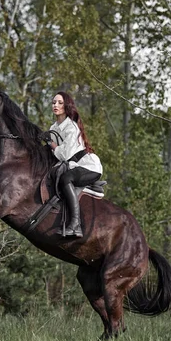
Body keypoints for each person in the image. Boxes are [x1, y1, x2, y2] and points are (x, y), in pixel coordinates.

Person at [44, 91, 102, 238]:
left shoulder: (72, 128)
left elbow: (64, 155)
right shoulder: (53, 128)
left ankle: (75, 225)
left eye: (59, 103)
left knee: (66, 179)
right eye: (53, 102)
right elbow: (55, 154)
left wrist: (50, 144)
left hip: (88, 166)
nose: (55, 105)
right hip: (73, 166)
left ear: (66, 106)